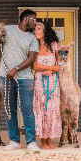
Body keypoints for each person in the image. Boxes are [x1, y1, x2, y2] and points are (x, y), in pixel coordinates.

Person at [0, 9, 40, 152]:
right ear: (26, 19)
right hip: (4, 76)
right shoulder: (8, 30)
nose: (36, 23)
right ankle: (14, 141)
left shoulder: (33, 38)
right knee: (10, 109)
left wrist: (16, 69)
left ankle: (31, 142)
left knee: (27, 109)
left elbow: (32, 58)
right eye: (34, 20)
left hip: (25, 78)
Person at [32, 22, 63, 150]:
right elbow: (34, 66)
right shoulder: (34, 46)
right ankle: (43, 141)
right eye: (35, 29)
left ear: (46, 31)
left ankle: (50, 139)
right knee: (41, 109)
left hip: (53, 82)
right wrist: (50, 68)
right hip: (40, 82)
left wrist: (52, 70)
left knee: (51, 109)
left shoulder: (54, 45)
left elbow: (59, 65)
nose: (36, 31)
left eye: (39, 28)